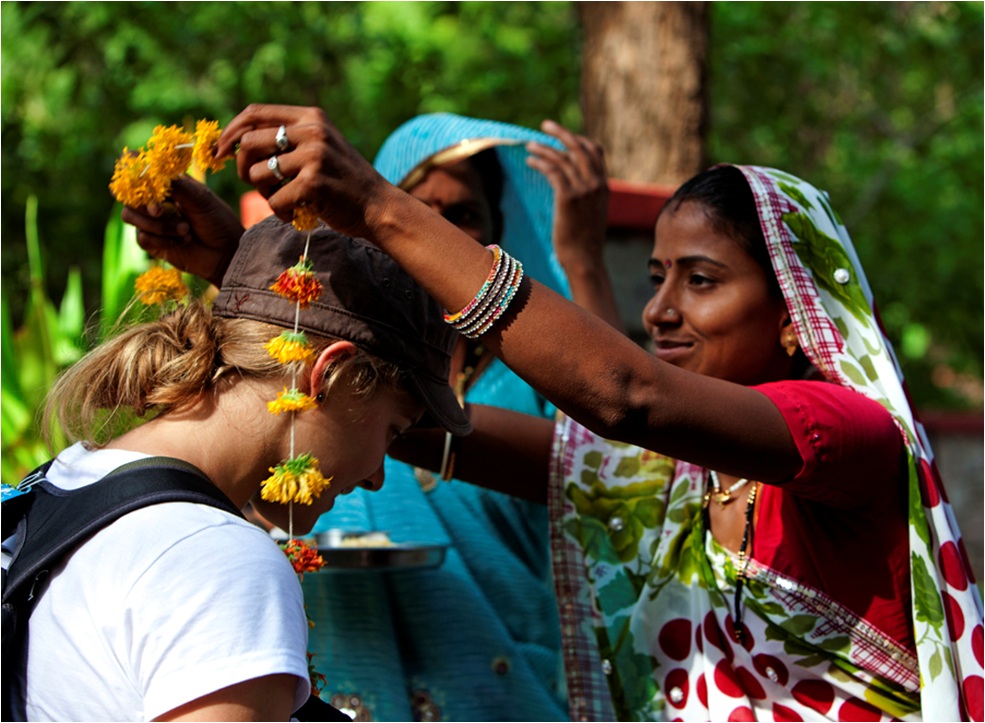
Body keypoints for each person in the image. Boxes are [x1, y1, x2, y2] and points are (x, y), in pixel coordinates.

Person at [207, 104, 982, 722]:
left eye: (701, 280)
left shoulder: (846, 432)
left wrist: (381, 209)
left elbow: (625, 393)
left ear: (794, 313)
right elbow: (449, 433)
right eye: (656, 277)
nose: (659, 311)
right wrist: (236, 271)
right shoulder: (683, 476)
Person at [128, 112, 616, 721]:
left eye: (460, 216)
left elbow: (610, 457)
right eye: (414, 206)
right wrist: (245, 266)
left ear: (494, 239)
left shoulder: (529, 379)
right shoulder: (312, 378)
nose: (433, 231)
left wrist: (585, 265)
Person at [5, 215, 470, 721]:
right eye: (393, 432)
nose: (378, 476)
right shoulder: (216, 560)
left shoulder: (62, 481)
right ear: (332, 375)